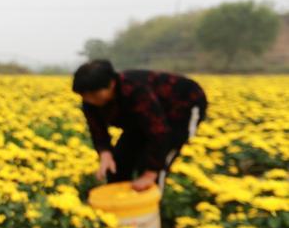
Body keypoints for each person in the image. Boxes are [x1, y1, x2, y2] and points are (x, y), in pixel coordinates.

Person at [72, 59, 208, 192]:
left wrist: (150, 173)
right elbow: (97, 130)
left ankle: (151, 209)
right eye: (84, 95)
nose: (89, 99)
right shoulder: (90, 100)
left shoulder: (135, 89)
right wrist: (105, 153)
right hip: (144, 117)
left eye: (94, 94)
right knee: (118, 163)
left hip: (182, 105)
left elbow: (159, 132)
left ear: (111, 84)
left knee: (153, 165)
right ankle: (120, 208)